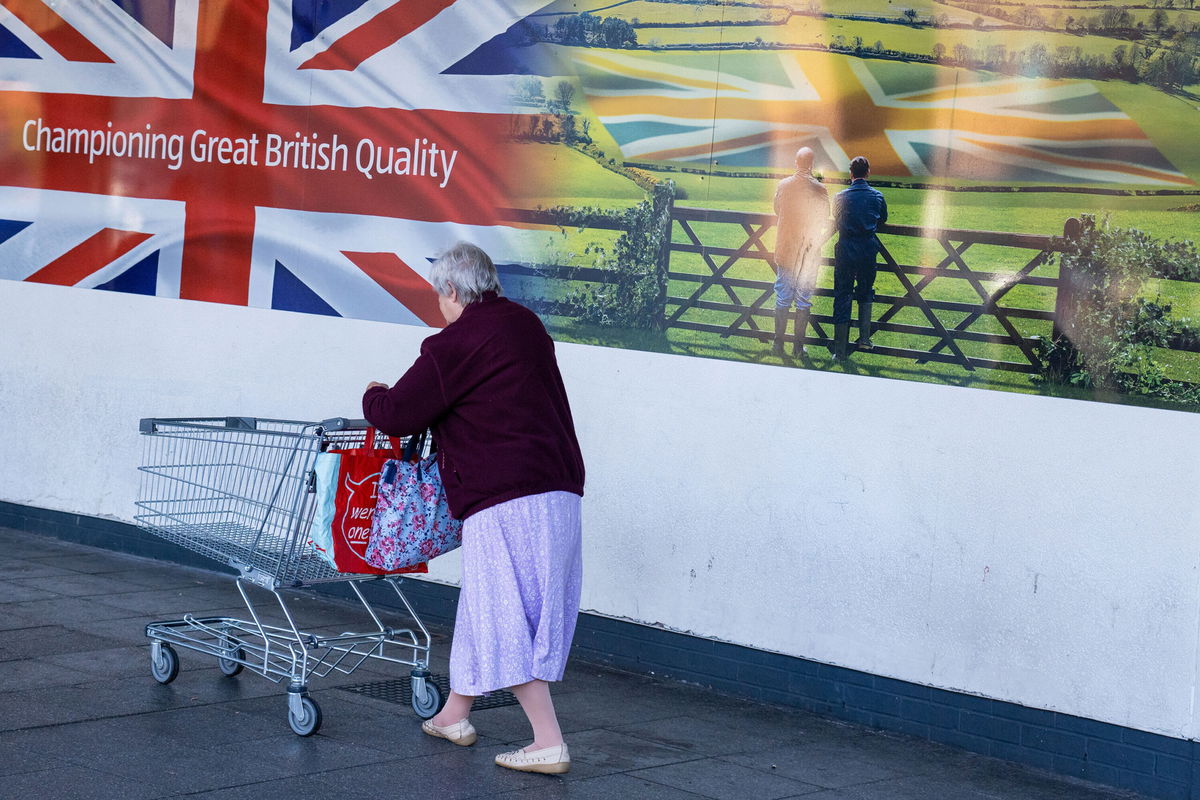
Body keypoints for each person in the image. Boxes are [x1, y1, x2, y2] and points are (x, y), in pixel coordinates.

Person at [362, 242, 585, 775]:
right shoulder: (525, 325)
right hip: (558, 490)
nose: (439, 306)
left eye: (440, 295)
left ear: (454, 291)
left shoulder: (453, 344)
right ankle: (452, 715)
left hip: (504, 498)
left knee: (506, 614)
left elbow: (397, 414)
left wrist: (372, 394)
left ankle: (548, 741)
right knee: (493, 604)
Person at [772, 146, 829, 357]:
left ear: (796, 163)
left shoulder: (784, 185)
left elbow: (777, 209)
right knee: (803, 299)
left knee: (782, 297)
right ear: (812, 164)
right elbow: (825, 217)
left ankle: (778, 345)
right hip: (808, 251)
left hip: (786, 248)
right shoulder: (820, 189)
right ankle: (798, 347)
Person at [831, 156, 888, 360]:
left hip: (846, 248)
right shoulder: (877, 196)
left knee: (843, 295)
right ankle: (864, 338)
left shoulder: (840, 197)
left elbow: (836, 219)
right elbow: (883, 219)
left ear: (851, 173)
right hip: (867, 249)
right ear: (868, 172)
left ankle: (839, 351)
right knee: (865, 292)